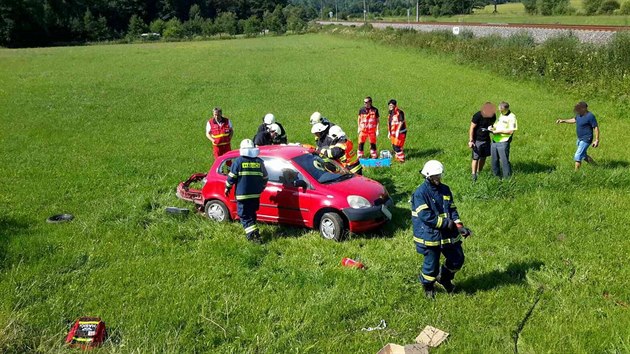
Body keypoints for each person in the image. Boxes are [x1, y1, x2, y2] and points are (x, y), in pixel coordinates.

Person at [411, 160, 472, 299]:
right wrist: (446, 223)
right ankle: (428, 286)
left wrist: (459, 226)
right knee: (431, 266)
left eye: (439, 175)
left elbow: (452, 209)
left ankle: (444, 278)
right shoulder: (420, 193)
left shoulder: (445, 189)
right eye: (435, 176)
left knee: (457, 259)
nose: (438, 178)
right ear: (427, 176)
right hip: (429, 235)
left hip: (448, 233)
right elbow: (426, 216)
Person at [224, 139, 268, 243]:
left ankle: (253, 236)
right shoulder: (259, 162)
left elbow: (231, 177)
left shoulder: (238, 161)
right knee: (251, 213)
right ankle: (254, 230)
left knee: (244, 215)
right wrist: (261, 188)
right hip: (255, 195)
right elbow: (265, 178)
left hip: (243, 196)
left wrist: (227, 187)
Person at [556, 101, 600, 171]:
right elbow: (574, 120)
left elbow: (596, 127)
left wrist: (596, 140)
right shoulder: (579, 115)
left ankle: (576, 173)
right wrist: (563, 121)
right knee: (583, 155)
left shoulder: (590, 116)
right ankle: (595, 166)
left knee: (578, 155)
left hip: (586, 138)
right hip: (580, 138)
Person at [468, 102, 497, 182]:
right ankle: (473, 175)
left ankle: (479, 172)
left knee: (483, 157)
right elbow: (472, 128)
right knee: (475, 157)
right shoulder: (477, 115)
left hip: (486, 139)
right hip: (477, 140)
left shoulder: (493, 116)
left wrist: (492, 129)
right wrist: (471, 140)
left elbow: (492, 125)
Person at [489, 101, 517, 179]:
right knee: (494, 161)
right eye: (499, 109)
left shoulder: (512, 117)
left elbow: (511, 131)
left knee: (504, 161)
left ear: (506, 108)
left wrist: (498, 131)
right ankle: (496, 177)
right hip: (495, 141)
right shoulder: (501, 115)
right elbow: (496, 126)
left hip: (503, 142)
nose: (499, 110)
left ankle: (507, 178)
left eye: (501, 109)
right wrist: (491, 128)